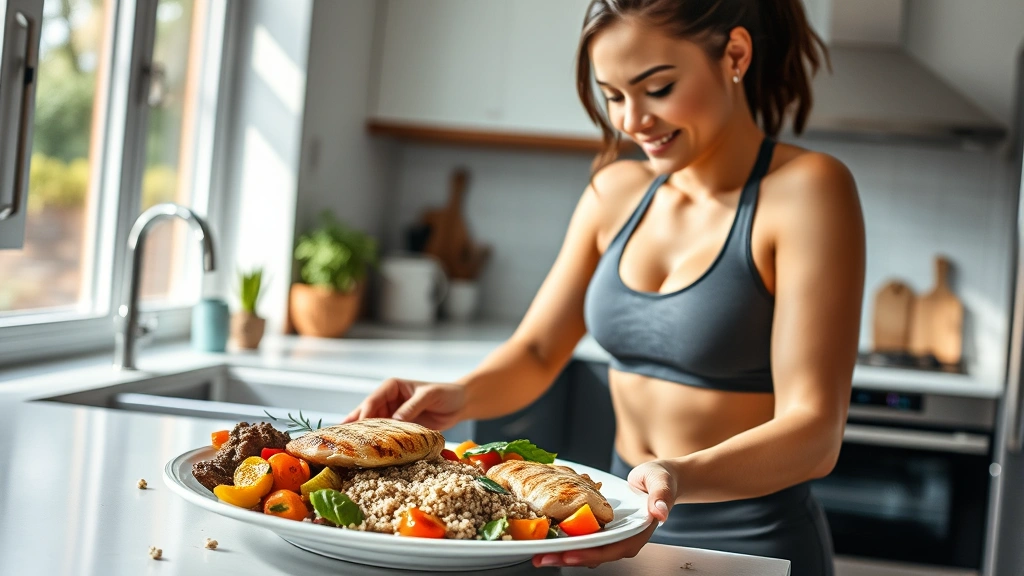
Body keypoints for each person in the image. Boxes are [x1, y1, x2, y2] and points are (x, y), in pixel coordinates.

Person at [344, 0, 864, 573]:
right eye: (613, 95)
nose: (630, 120)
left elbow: (815, 431)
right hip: (618, 532)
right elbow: (538, 351)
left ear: (735, 54)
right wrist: (459, 394)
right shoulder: (615, 191)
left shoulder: (808, 191)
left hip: (752, 546)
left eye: (657, 88)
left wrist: (680, 476)